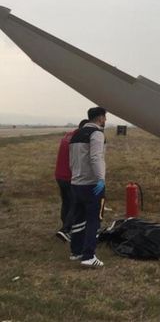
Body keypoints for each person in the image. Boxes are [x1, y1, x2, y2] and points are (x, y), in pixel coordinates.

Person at [69, 107, 107, 268]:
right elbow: (96, 157)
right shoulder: (96, 134)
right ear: (100, 118)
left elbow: (72, 159)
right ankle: (88, 256)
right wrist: (101, 179)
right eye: (105, 117)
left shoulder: (76, 134)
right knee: (93, 220)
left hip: (76, 182)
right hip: (91, 184)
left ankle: (76, 251)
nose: (105, 120)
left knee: (78, 218)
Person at [54, 119, 89, 242]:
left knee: (66, 202)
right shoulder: (79, 139)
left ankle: (65, 226)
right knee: (76, 203)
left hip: (59, 175)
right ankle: (66, 230)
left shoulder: (68, 135)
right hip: (71, 177)